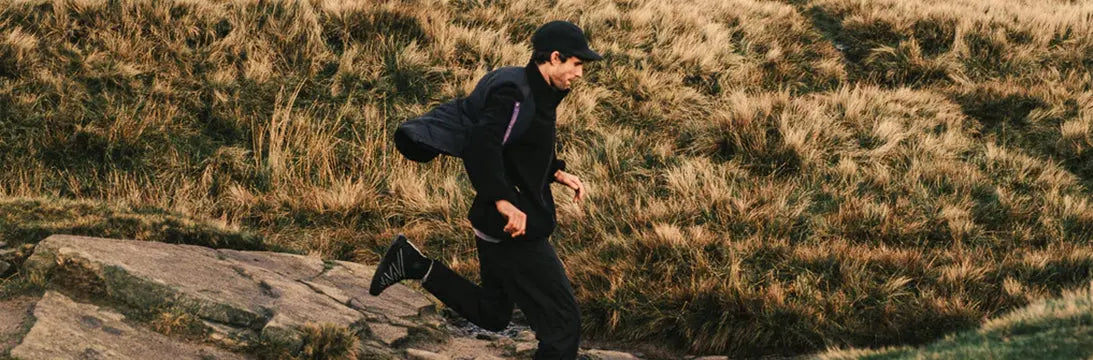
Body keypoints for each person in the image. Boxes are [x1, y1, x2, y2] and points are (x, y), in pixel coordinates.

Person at [369, 20, 600, 359]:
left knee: (493, 314)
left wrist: (555, 172)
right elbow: (483, 147)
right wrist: (504, 200)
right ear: (555, 57)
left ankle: (413, 264)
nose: (580, 74)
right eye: (577, 64)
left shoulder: (533, 90)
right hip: (514, 228)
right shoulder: (515, 95)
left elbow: (518, 145)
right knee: (563, 326)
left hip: (493, 222)